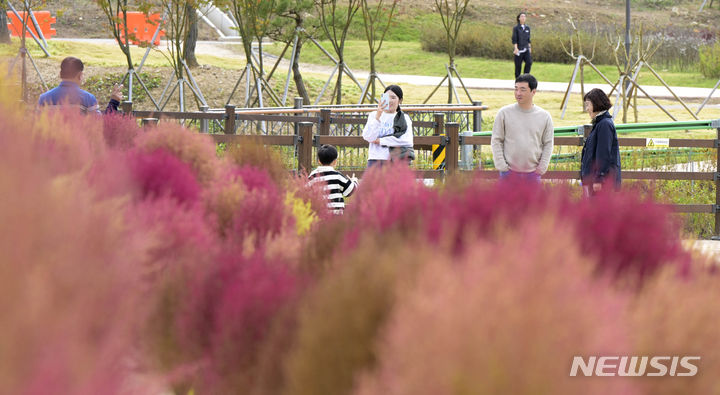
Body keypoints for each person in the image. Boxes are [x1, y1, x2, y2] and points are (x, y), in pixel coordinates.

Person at [491, 74, 554, 182]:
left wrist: (541, 168)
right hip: (508, 174)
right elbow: (496, 140)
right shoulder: (504, 113)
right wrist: (502, 166)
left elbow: (548, 143)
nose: (518, 93)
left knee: (533, 200)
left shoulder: (544, 116)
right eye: (516, 89)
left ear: (533, 92)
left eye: (523, 89)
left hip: (533, 175)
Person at [38, 56, 123, 114]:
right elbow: (100, 126)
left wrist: (47, 98)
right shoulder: (88, 98)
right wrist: (114, 102)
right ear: (80, 75)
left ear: (60, 74)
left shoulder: (43, 98)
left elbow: (37, 127)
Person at [580, 88, 621, 195]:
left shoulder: (604, 124)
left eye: (588, 104)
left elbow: (603, 153)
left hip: (602, 183)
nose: (587, 108)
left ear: (596, 103)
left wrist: (599, 178)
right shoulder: (600, 123)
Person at [362, 85, 414, 167]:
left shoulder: (404, 118)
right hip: (376, 159)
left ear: (400, 100)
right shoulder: (373, 115)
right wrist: (377, 117)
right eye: (387, 97)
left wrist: (380, 141)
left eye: (393, 98)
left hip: (397, 160)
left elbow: (407, 141)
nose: (389, 101)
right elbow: (368, 137)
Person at [307, 144, 359, 215]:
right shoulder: (337, 176)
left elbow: (306, 192)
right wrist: (354, 181)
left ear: (319, 161)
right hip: (335, 216)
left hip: (318, 215)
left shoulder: (313, 176)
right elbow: (350, 190)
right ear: (335, 161)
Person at [512, 12, 532, 79]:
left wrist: (529, 47)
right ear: (519, 18)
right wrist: (515, 48)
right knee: (518, 66)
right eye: (522, 16)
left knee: (529, 62)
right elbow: (514, 39)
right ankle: (518, 80)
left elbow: (528, 39)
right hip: (519, 50)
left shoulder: (527, 28)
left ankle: (526, 78)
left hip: (526, 49)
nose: (523, 18)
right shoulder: (516, 28)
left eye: (524, 16)